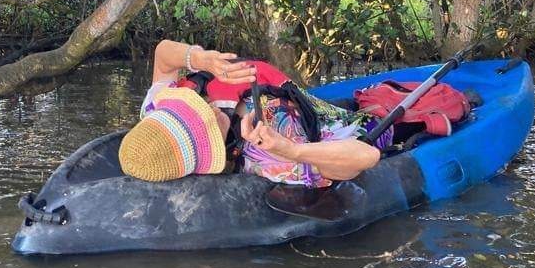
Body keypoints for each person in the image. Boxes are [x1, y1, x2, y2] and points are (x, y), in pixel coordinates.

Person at [119, 40, 381, 185]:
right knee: (379, 112)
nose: (211, 108)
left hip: (308, 103)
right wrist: (290, 150)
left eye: (197, 106)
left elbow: (162, 53)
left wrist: (201, 59)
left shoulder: (155, 107)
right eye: (208, 124)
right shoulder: (263, 159)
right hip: (344, 128)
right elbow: (367, 156)